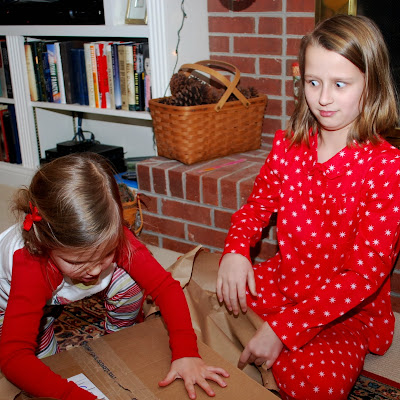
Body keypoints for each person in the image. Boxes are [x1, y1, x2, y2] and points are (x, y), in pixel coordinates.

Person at [216, 14, 400, 400]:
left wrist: (282, 330)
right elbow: (255, 207)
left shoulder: (388, 168)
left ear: (371, 84)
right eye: (313, 82)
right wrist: (236, 249)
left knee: (320, 388)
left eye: (340, 84)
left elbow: (363, 277)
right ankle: (268, 346)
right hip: (287, 280)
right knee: (212, 301)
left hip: (346, 309)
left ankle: (272, 347)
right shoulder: (288, 146)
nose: (323, 98)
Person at [0, 153, 229, 399]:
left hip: (59, 286)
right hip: (13, 301)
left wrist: (186, 352)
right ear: (46, 244)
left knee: (129, 279)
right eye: (77, 261)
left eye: (105, 254)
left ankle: (119, 335)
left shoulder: (114, 237)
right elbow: (13, 356)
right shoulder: (30, 264)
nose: (95, 271)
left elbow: (166, 287)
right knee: (45, 369)